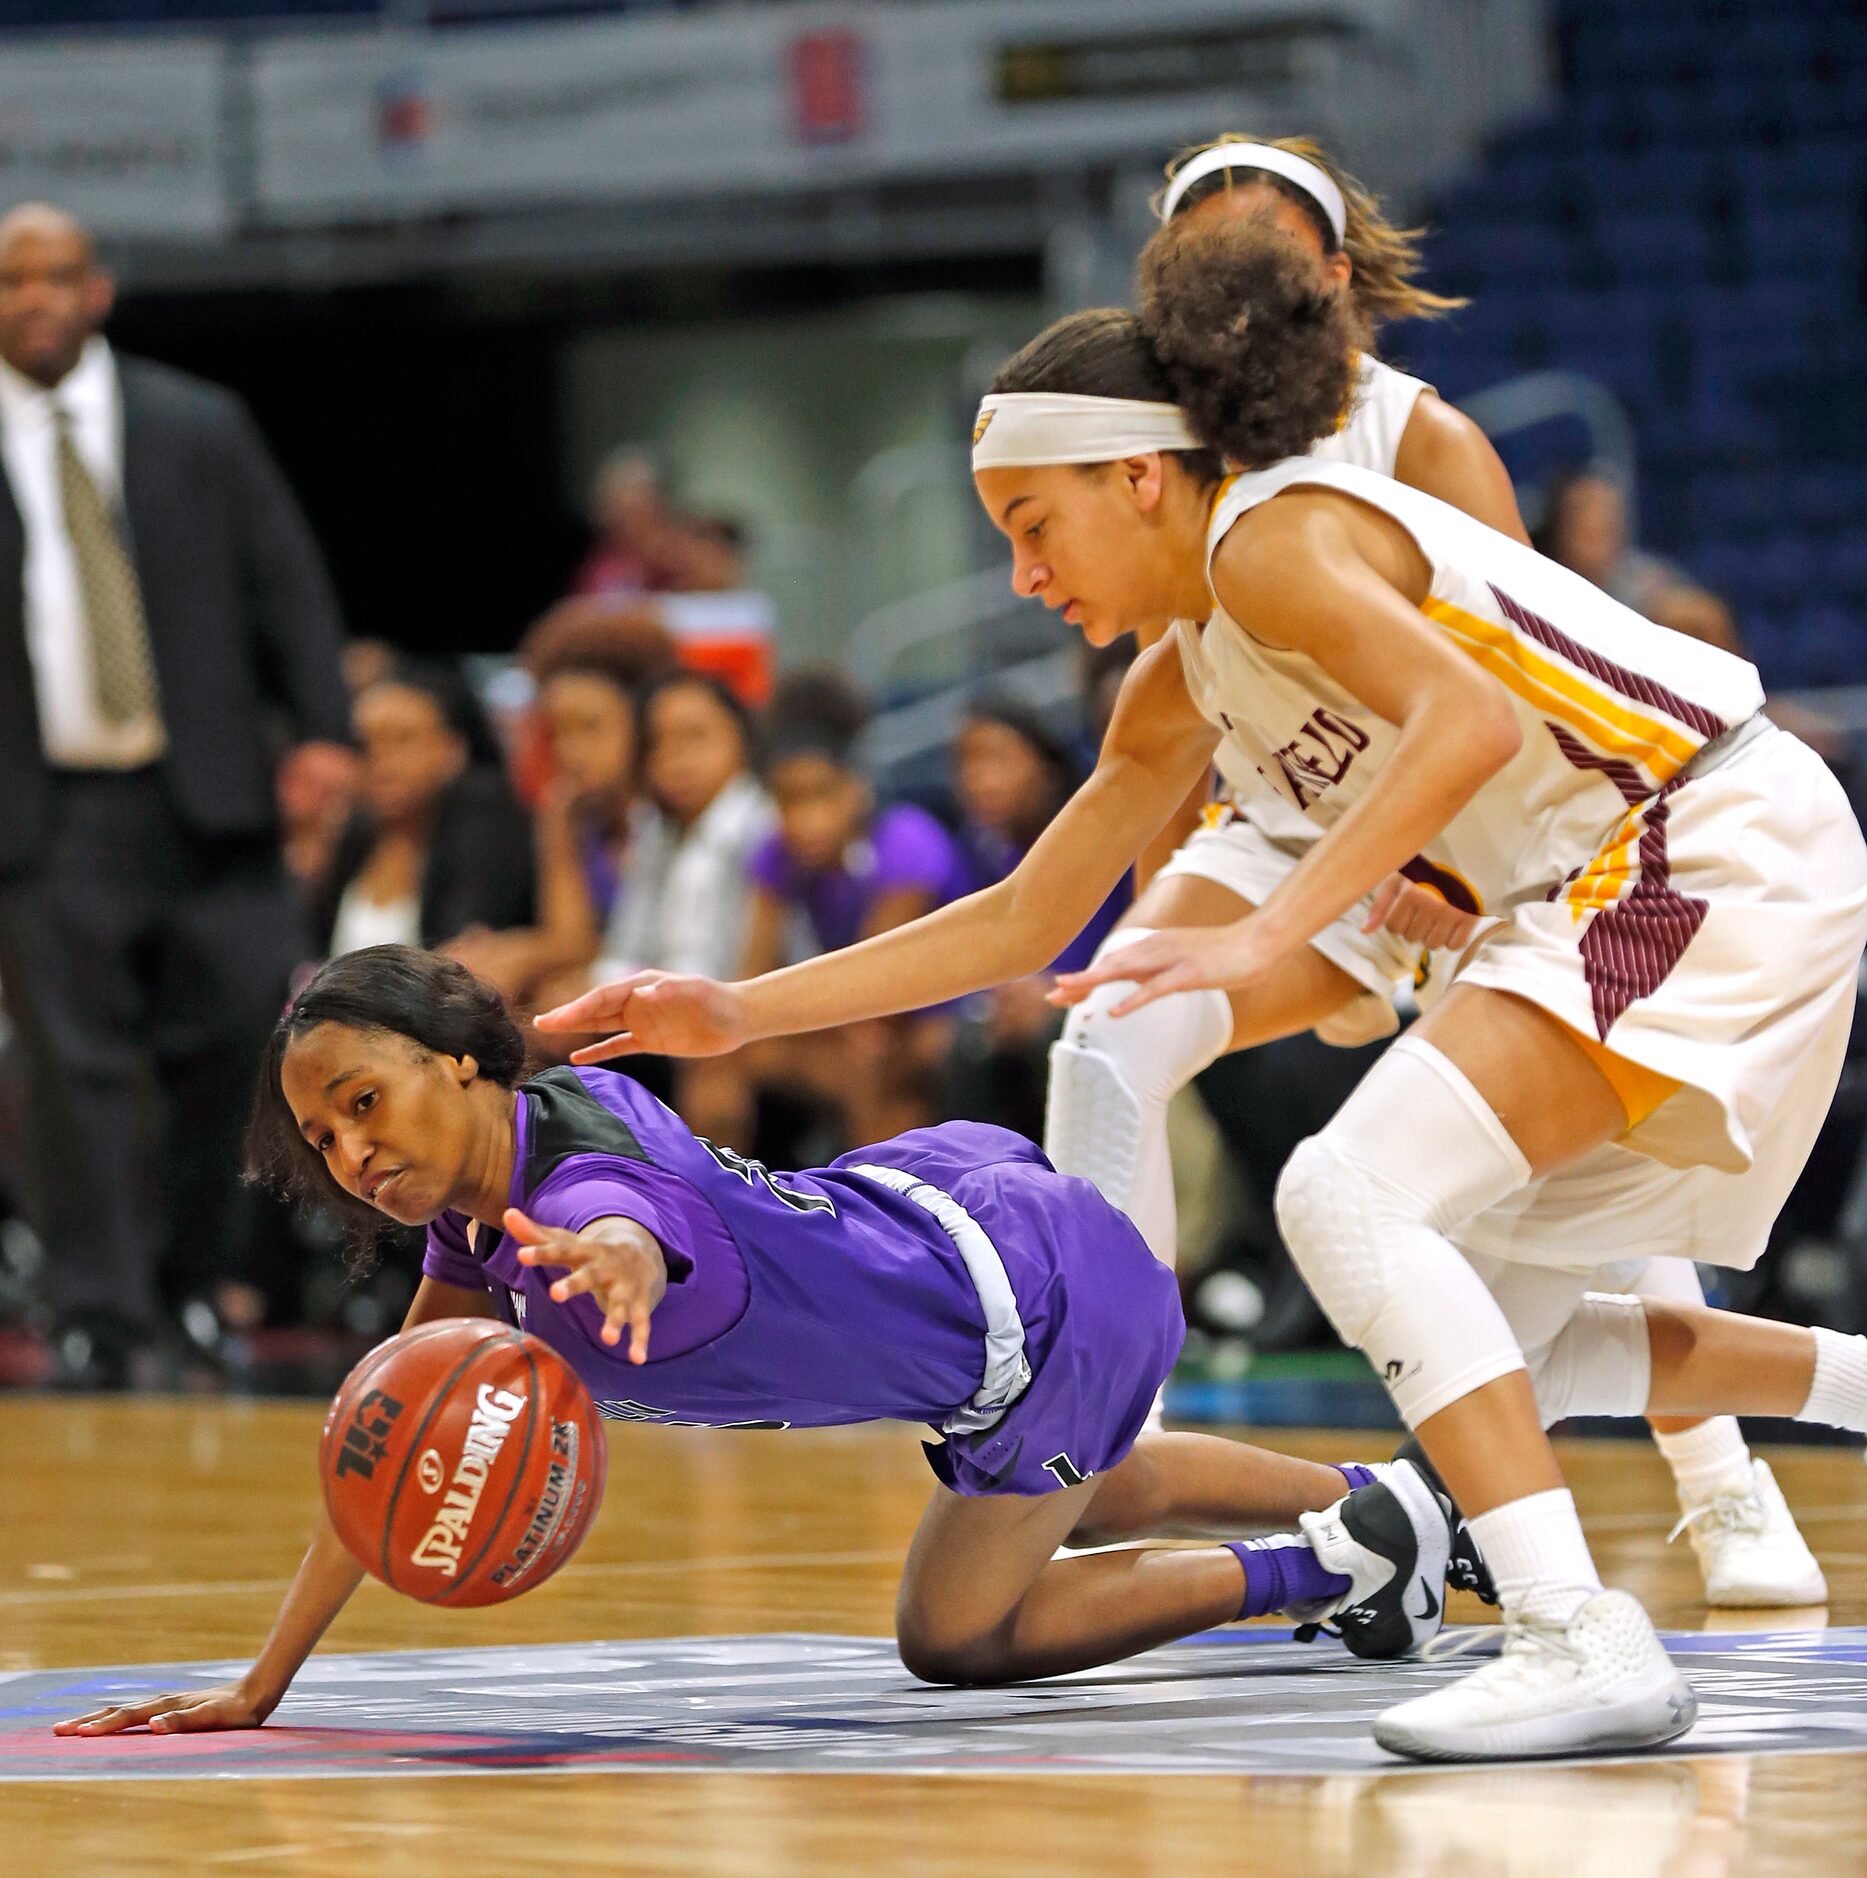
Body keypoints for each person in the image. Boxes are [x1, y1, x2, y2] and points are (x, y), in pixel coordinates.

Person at [538, 220, 1867, 1760]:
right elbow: (1030, 908)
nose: (1024, 577)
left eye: (1034, 527)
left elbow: (1463, 728)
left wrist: (1260, 933)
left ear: (1138, 477)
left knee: (1344, 1197)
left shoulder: (1271, 533)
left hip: (1687, 837)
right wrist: (738, 1010)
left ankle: (1580, 1635)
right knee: (1519, 1334)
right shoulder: (1188, 662)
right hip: (1639, 868)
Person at [1039, 136, 1825, 1610]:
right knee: (1103, 1036)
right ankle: (1106, 1446)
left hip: (1463, 818)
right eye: (1187, 262)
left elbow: (1514, 712)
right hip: (1289, 812)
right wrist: (1192, 917)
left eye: (1253, 254)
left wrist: (1435, 902)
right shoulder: (1166, 476)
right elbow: (1163, 738)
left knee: (1582, 1160)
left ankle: (1718, 1479)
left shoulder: (1416, 440)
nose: (1220, 290)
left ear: (1329, 275)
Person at [55, 945, 1458, 1738]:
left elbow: (634, 1225)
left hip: (1025, 1302)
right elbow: (380, 1458)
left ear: (462, 1061)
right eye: (324, 1135)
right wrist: (261, 1681)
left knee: (953, 1633)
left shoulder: (574, 1188)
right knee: (1096, 1484)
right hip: (960, 1233)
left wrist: (615, 1262)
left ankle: (1318, 1566)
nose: (352, 1149)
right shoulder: (479, 1229)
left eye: (365, 1100)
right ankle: (1386, 1507)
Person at [0, 202, 353, 1385]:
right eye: (12, 281)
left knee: (235, 1050)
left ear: (96, 289)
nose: (35, 299)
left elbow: (288, 586)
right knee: (70, 1072)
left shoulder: (196, 425)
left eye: (55, 277)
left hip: (209, 791)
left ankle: (194, 1288)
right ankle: (99, 1311)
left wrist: (325, 732)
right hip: (41, 809)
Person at [683, 671, 956, 1149]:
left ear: (857, 787)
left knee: (867, 1050)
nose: (805, 818)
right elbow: (750, 975)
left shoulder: (907, 841)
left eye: (822, 794)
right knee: (719, 1054)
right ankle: (708, 1203)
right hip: (845, 1016)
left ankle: (877, 1205)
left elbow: (874, 985)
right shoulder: (774, 854)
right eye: (788, 799)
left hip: (936, 1018)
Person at [943, 698, 1128, 1140]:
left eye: (997, 758)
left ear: (1046, 765)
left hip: (1104, 998)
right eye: (967, 762)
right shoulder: (978, 848)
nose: (979, 779)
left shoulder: (1095, 831)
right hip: (1017, 1014)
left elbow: (1121, 938)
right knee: (964, 1051)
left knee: (1056, 1039)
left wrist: (1052, 991)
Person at [314, 659, 536, 964]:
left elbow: (465, 954)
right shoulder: (356, 834)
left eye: (402, 739)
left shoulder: (485, 825)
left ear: (454, 749)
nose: (381, 760)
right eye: (365, 743)